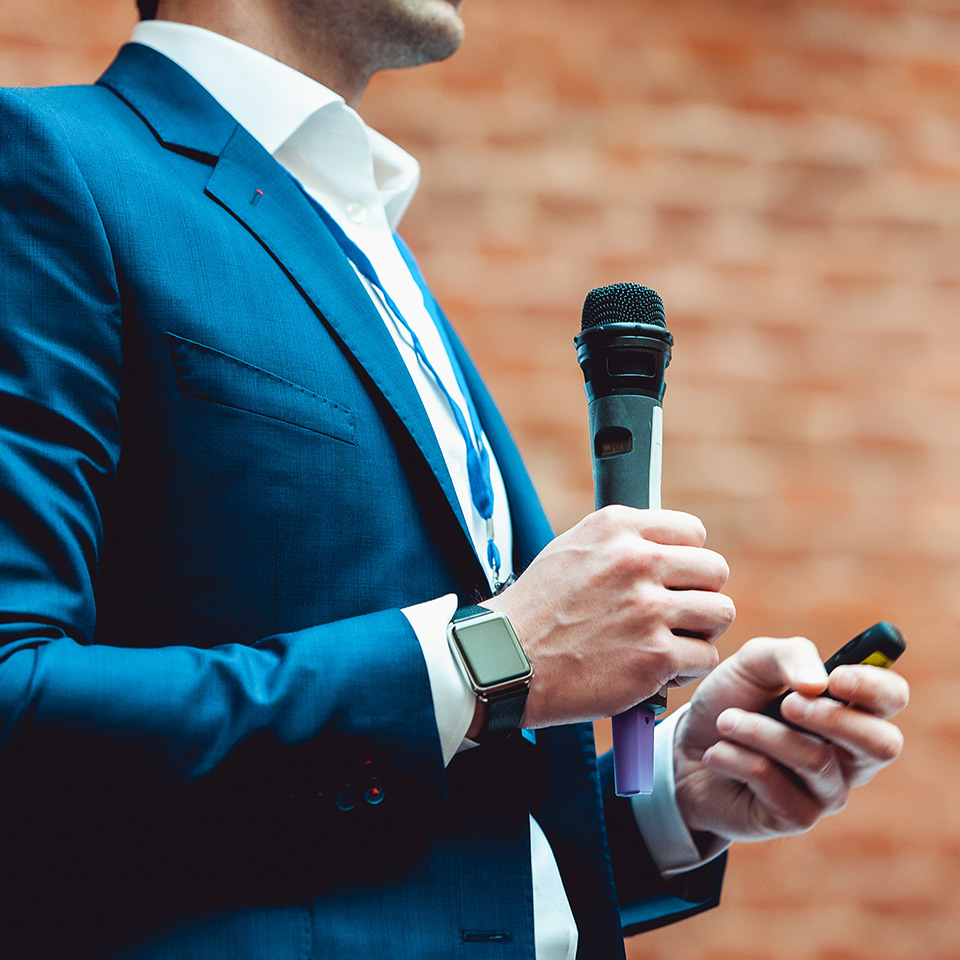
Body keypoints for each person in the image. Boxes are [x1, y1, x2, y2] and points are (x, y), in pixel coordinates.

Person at [0, 1, 908, 958]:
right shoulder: (49, 167)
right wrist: (491, 660)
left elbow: (388, 850)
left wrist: (673, 800)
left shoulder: (364, 241)